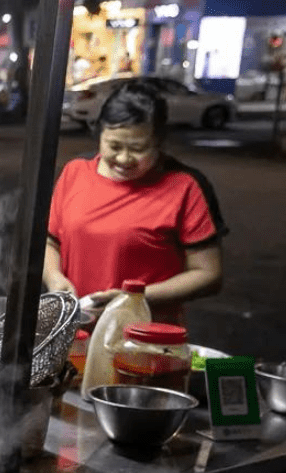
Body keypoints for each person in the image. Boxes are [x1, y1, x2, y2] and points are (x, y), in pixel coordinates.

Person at [43, 80, 226, 325]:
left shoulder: (185, 186)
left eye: (138, 149)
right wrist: (54, 278)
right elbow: (50, 241)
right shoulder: (75, 172)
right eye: (114, 146)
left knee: (232, 366)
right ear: (99, 133)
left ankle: (243, 368)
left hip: (144, 340)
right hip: (72, 332)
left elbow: (208, 275)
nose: (124, 158)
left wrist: (134, 298)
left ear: (159, 142)